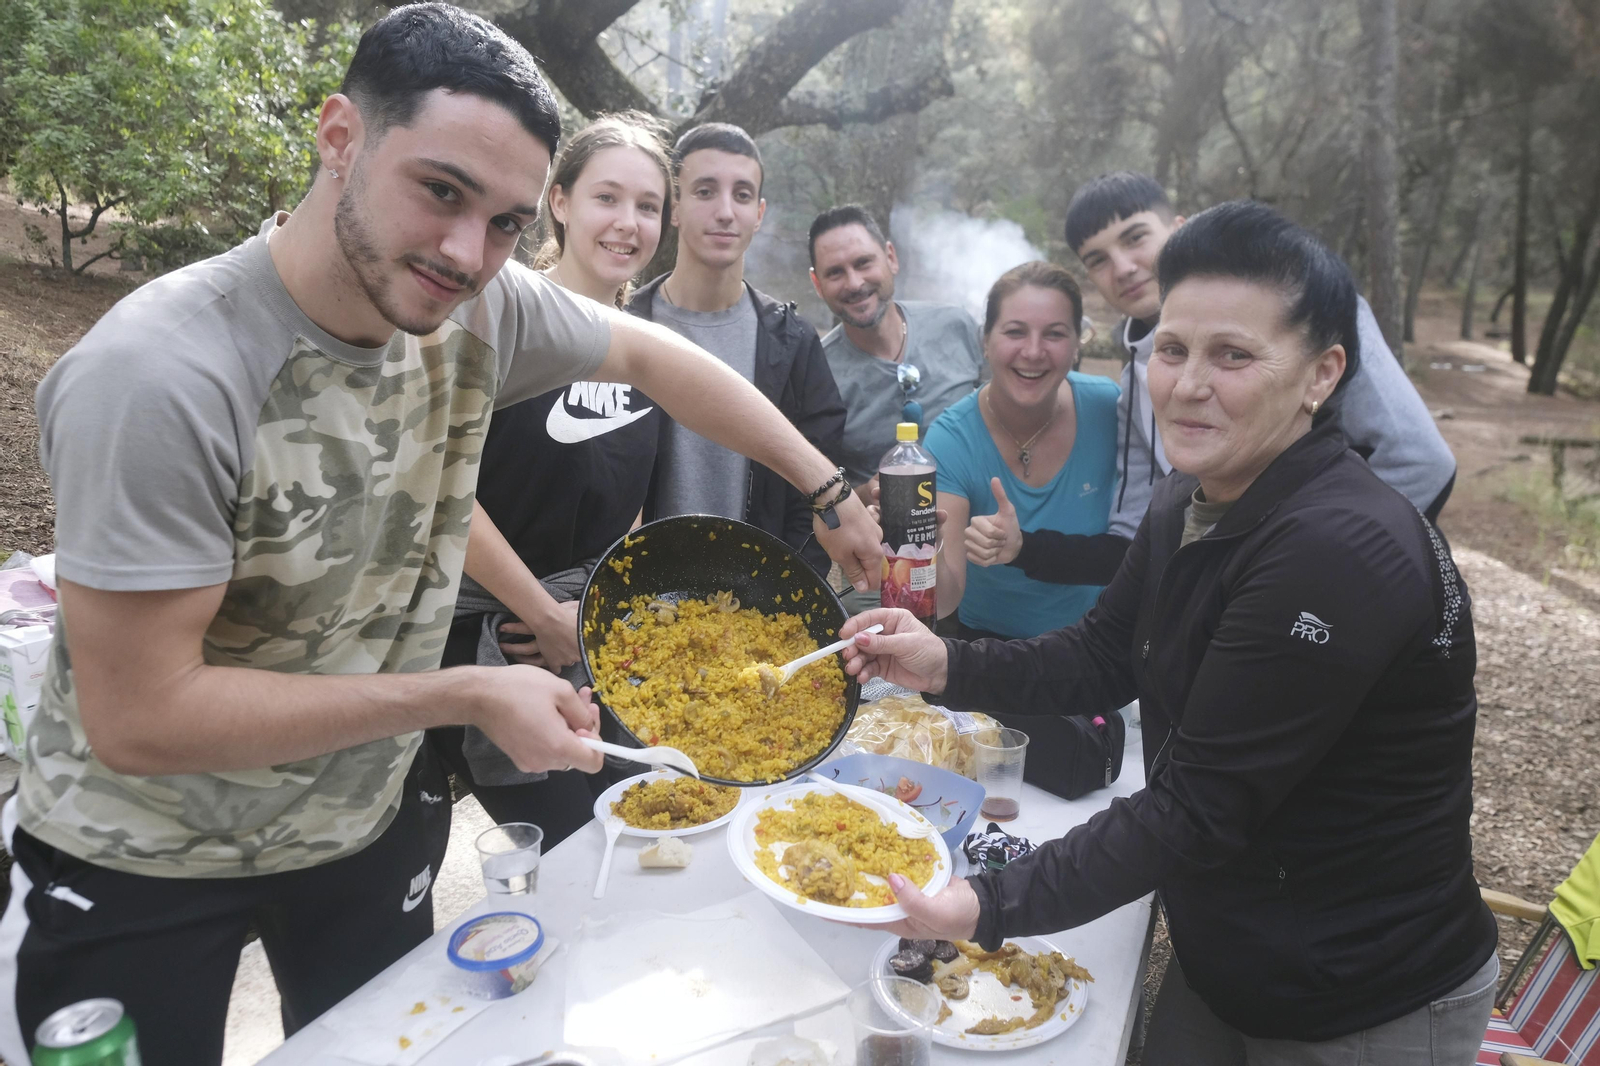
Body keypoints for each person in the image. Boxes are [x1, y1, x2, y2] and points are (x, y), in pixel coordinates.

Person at [0, 8, 880, 1064]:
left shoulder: (481, 306)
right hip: (143, 856)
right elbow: (140, 716)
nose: (469, 252)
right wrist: (463, 692)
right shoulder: (159, 375)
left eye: (508, 222)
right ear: (340, 138)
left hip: (355, 829)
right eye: (440, 190)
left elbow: (657, 360)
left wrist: (827, 491)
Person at [834, 202, 1499, 1064]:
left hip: (1364, 993)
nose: (1189, 383)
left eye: (1234, 356)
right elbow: (1104, 653)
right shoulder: (1195, 493)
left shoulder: (1337, 547)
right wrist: (943, 663)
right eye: (1175, 350)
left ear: (1321, 374)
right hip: (1232, 953)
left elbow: (1197, 808)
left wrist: (984, 902)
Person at [977, 173, 1457, 590]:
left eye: (1136, 237)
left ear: (1180, 230)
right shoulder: (1136, 387)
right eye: (1097, 259)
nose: (1122, 267)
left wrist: (1323, 573)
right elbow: (1134, 537)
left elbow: (1420, 461)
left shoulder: (1309, 312)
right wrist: (1026, 549)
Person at [426, 111, 673, 847]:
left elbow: (628, 506)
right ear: (558, 202)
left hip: (592, 636)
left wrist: (589, 616)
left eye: (649, 206)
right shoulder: (492, 325)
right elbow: (441, 489)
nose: (628, 223)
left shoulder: (649, 352)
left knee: (643, 834)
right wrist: (537, 612)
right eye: (607, 198)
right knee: (573, 845)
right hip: (493, 634)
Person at [628, 123, 845, 578]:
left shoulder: (792, 342)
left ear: (759, 212)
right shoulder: (625, 326)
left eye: (742, 195)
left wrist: (776, 593)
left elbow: (815, 496)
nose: (726, 212)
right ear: (675, 206)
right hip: (637, 602)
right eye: (705, 191)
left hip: (755, 609)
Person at [922, 262, 1118, 640]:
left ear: (1078, 342)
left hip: (1098, 642)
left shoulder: (1110, 409)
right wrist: (916, 544)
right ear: (985, 340)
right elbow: (943, 602)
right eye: (1015, 332)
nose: (1033, 351)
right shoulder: (951, 440)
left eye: (1055, 334)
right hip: (990, 648)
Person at [807, 205, 987, 611]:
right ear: (817, 284)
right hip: (889, 589)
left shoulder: (957, 327)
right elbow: (817, 493)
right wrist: (863, 497)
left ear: (890, 257)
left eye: (863, 262)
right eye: (835, 273)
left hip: (982, 566)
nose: (854, 282)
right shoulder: (817, 371)